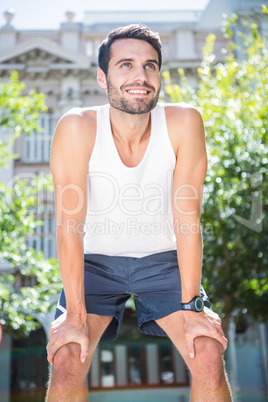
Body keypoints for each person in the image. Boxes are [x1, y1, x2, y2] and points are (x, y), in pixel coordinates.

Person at [46, 24, 232, 401]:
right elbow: (69, 227)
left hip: (164, 263)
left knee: (208, 353)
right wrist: (76, 317)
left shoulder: (184, 123)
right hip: (94, 265)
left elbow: (187, 220)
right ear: (103, 77)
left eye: (150, 66)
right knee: (66, 360)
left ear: (159, 76)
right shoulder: (77, 127)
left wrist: (193, 306)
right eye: (125, 65)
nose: (140, 76)